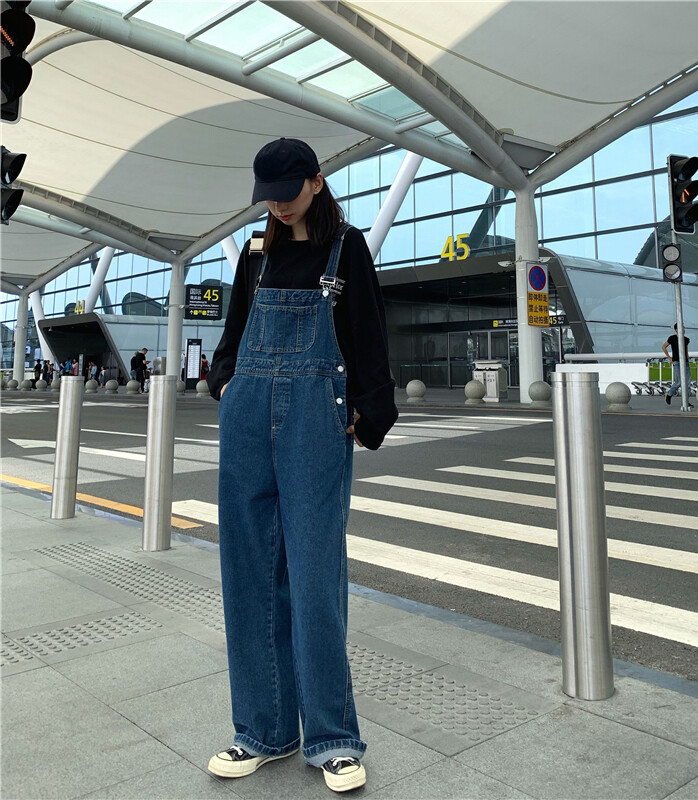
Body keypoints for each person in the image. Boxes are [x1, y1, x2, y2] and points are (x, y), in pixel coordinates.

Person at [206, 138, 397, 793]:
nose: (279, 206)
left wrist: (368, 411)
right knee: (250, 575)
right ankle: (261, 731)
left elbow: (370, 335)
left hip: (316, 419)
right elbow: (231, 337)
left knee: (316, 577)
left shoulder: (347, 248)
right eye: (271, 197)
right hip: (248, 419)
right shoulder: (257, 256)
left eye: (289, 192)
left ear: (317, 182)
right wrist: (225, 383)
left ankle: (333, 738)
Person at [661, 323, 692, 407]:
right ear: (676, 329)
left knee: (688, 383)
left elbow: (686, 351)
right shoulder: (672, 338)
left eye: (684, 328)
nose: (684, 329)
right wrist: (669, 358)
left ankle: (686, 402)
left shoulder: (686, 339)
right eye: (682, 328)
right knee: (678, 382)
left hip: (685, 362)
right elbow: (664, 347)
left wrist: (688, 360)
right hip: (677, 362)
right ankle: (669, 394)